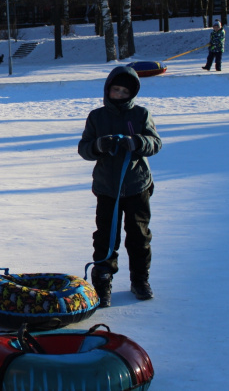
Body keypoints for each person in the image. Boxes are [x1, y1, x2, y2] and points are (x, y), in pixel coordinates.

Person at [77, 66, 162, 308]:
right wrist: (99, 145)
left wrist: (137, 142)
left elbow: (155, 143)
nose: (120, 94)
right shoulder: (97, 117)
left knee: (139, 236)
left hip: (137, 186)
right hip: (107, 188)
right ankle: (102, 284)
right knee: (105, 237)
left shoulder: (141, 115)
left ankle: (140, 280)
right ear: (108, 89)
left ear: (132, 93)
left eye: (125, 91)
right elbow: (84, 148)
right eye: (116, 89)